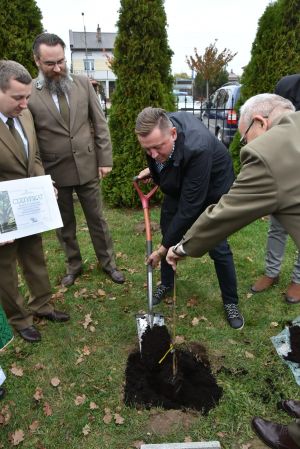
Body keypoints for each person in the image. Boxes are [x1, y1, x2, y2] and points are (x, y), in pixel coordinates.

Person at [166, 94, 299, 281]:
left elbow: (225, 214)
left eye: (245, 138)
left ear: (260, 122)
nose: (246, 144)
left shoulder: (267, 154)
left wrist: (181, 248)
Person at [28, 33, 124, 287]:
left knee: (97, 219)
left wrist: (105, 159)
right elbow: (31, 137)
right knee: (64, 224)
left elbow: (99, 124)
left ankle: (108, 263)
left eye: (61, 61)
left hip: (87, 166)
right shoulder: (30, 94)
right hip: (54, 172)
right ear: (37, 61)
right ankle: (74, 265)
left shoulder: (83, 85)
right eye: (50, 63)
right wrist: (39, 175)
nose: (58, 68)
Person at [135, 107, 244, 330]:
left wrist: (163, 248)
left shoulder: (198, 147)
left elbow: (190, 207)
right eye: (148, 149)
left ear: (173, 134)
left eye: (157, 147)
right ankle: (167, 283)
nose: (153, 154)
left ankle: (231, 302)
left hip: (213, 188)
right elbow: (161, 157)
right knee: (169, 229)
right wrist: (153, 169)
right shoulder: (160, 132)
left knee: (217, 245)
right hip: (183, 179)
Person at [0, 60, 69, 342]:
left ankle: (42, 305)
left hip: (29, 202)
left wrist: (44, 184)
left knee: (35, 255)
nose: (25, 104)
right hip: (3, 206)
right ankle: (19, 318)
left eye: (27, 97)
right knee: (5, 265)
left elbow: (35, 157)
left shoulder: (25, 115)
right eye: (18, 98)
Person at [251, 75, 300, 303]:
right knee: (277, 224)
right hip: (285, 165)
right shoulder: (287, 85)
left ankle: (298, 280)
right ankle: (272, 272)